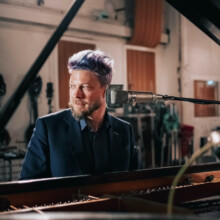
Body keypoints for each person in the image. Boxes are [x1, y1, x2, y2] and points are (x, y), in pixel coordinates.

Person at [19, 49, 141, 180]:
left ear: (105, 91)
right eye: (72, 86)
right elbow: (27, 190)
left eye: (85, 87)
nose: (76, 94)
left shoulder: (124, 130)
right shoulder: (48, 128)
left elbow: (136, 184)